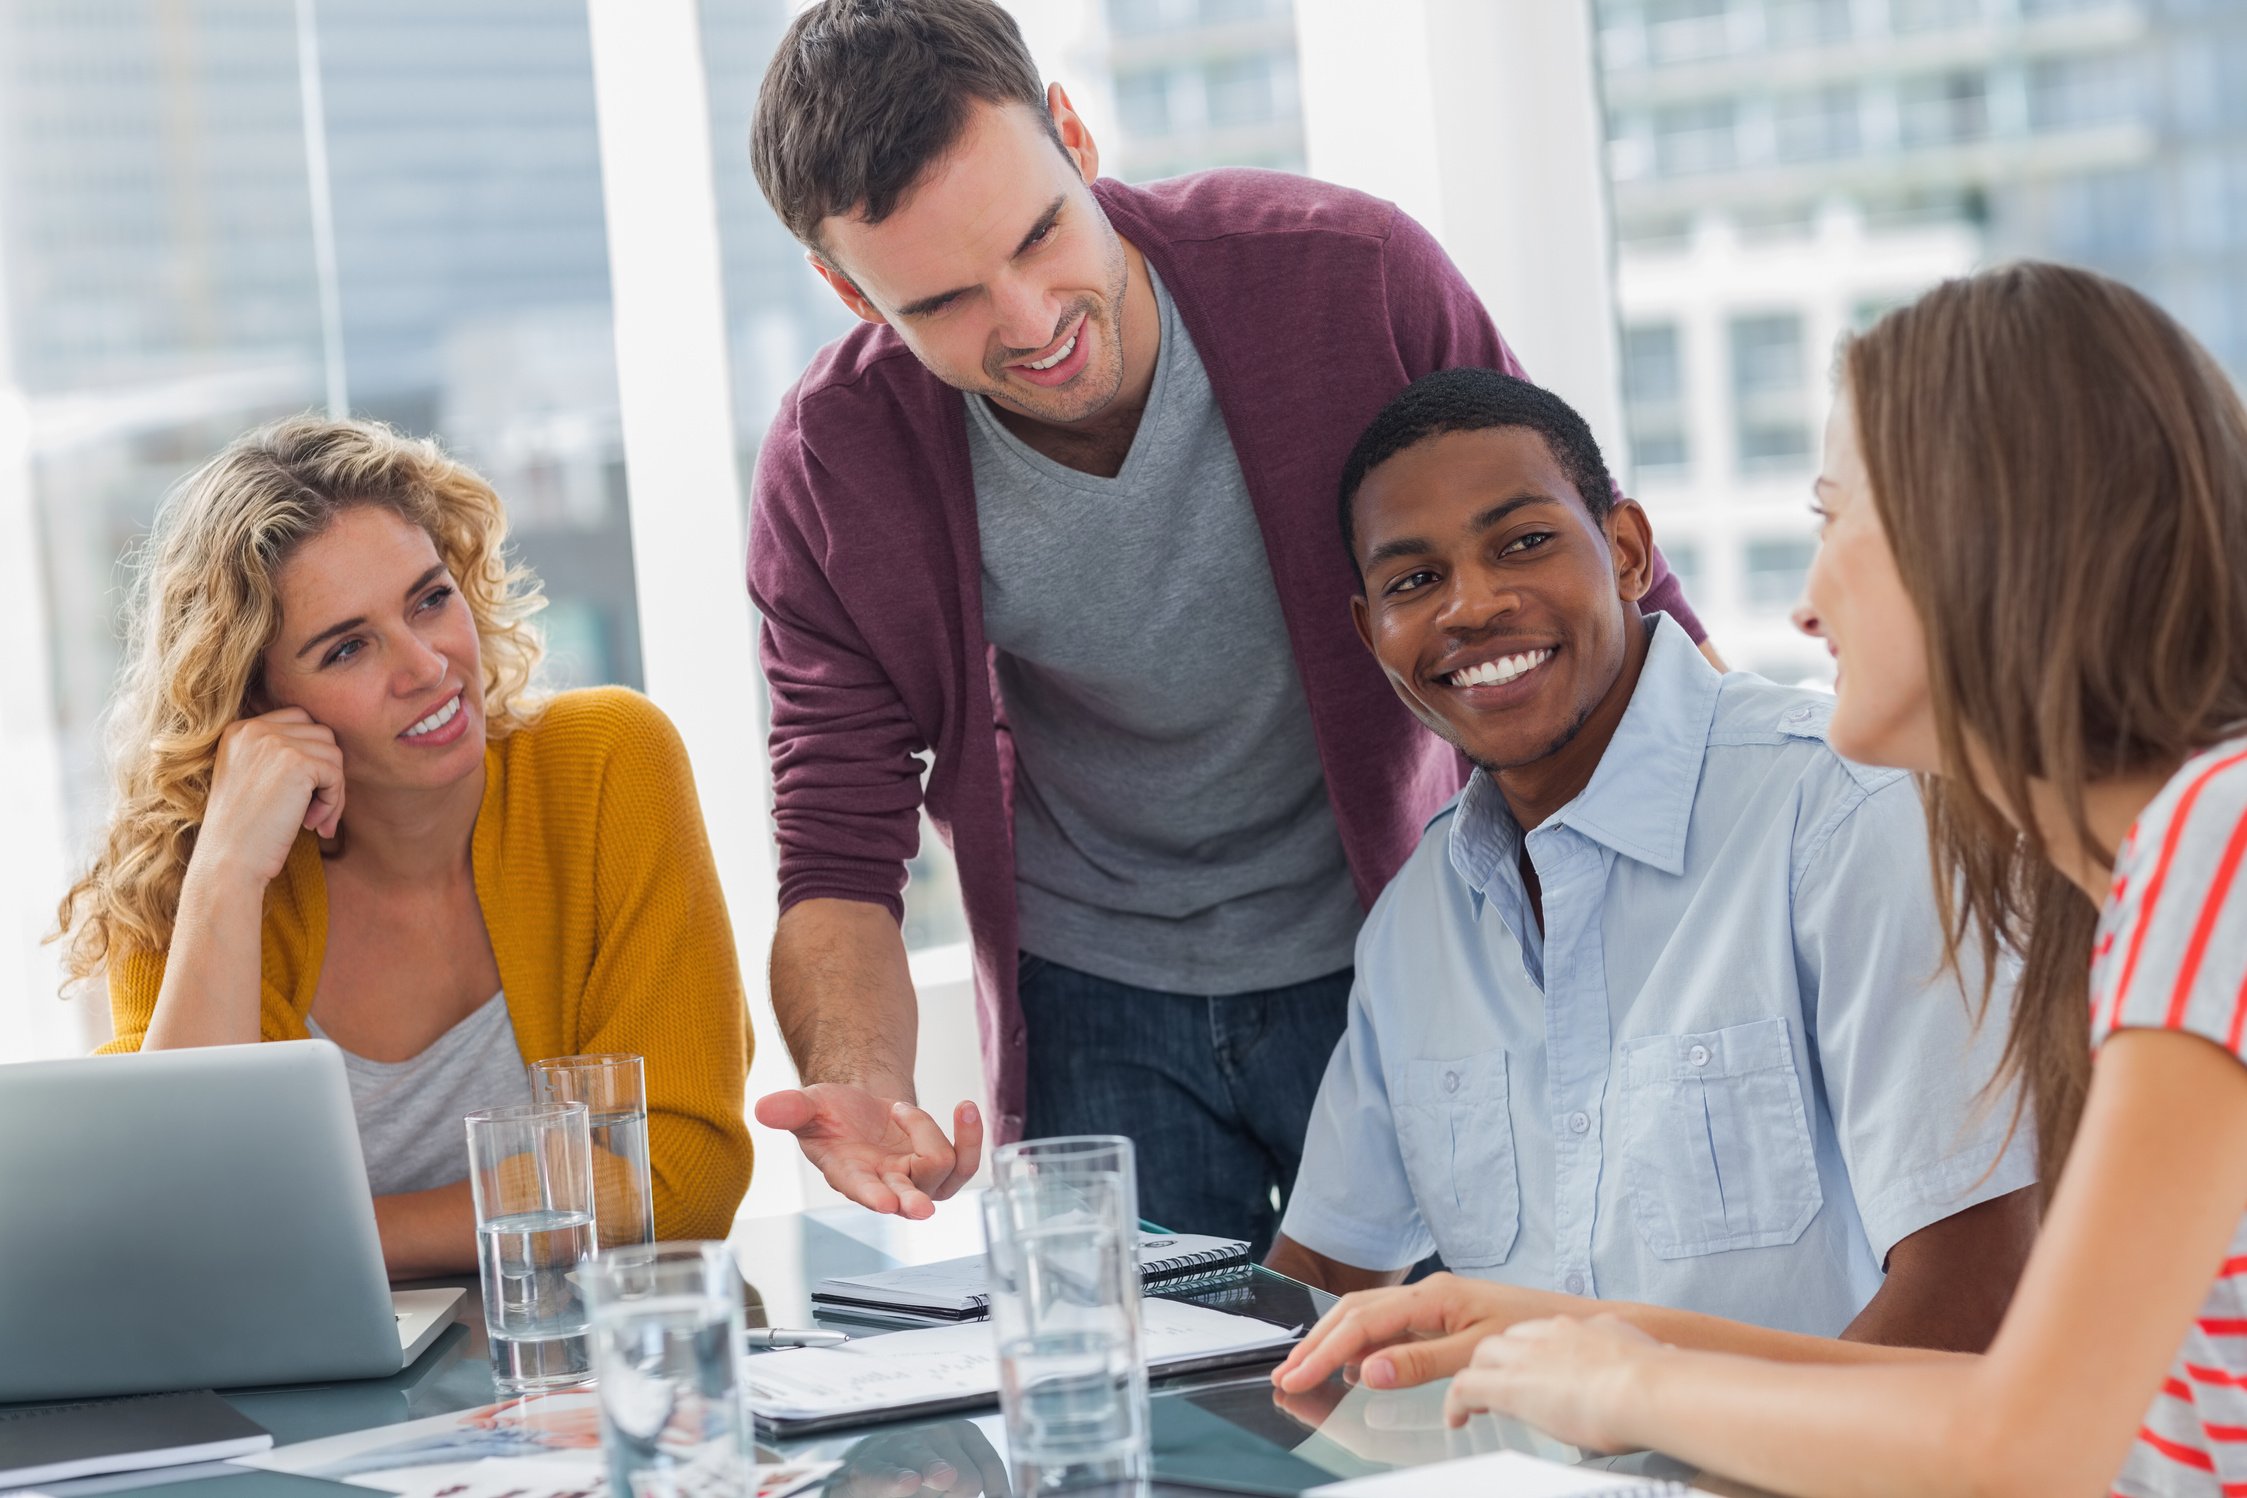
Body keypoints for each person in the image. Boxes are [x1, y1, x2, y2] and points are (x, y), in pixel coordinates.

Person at [742, 0, 1708, 1249]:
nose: (1032, 320)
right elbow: (836, 837)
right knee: (1153, 1417)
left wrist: (1772, 888)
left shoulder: (1346, 278)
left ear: (1074, 135)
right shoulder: (833, 463)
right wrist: (865, 1081)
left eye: (1040, 236)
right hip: (1092, 999)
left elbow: (1613, 595)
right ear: (846, 289)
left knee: (1455, 1377)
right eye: (944, 303)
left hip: (1401, 941)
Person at [1271, 263, 2247, 1498]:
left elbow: (2025, 1440)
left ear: (1990, 541)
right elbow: (2009, 1401)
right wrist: (1568, 1341)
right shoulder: (2125, 889)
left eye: (1836, 521)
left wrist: (1631, 1389)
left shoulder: (2214, 845)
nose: (1802, 604)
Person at [1261, 369, 2037, 1354]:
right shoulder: (1414, 927)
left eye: (1524, 542)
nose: (1474, 605)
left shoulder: (1847, 810)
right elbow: (1326, 1276)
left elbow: (1980, 1289)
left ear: (1627, 553)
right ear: (1374, 634)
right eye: (1415, 581)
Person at [57, 416, 754, 1278]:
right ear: (256, 704)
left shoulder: (609, 762)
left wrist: (310, 1240)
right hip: (312, 1401)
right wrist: (227, 876)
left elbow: (680, 1175)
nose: (426, 665)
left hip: (592, 1367)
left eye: (429, 598)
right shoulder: (189, 872)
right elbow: (172, 1226)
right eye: (348, 647)